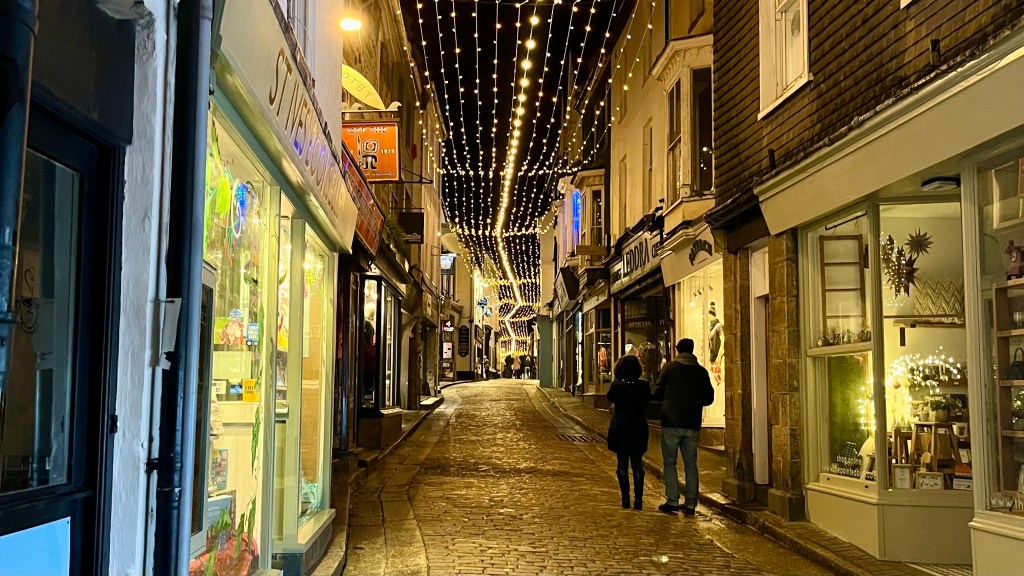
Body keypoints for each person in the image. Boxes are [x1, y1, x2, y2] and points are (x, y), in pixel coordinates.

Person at [653, 338, 714, 516]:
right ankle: (690, 504)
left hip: (671, 422)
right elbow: (709, 398)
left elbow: (657, 391)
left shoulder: (670, 368)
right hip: (691, 423)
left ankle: (672, 500)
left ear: (678, 350)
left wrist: (665, 402)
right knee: (690, 464)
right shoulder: (701, 372)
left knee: (670, 462)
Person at [607, 355, 651, 510]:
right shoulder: (643, 386)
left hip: (620, 426)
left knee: (622, 463)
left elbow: (610, 398)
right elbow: (647, 400)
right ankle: (638, 500)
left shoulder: (617, 385)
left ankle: (625, 499)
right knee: (637, 463)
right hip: (638, 426)